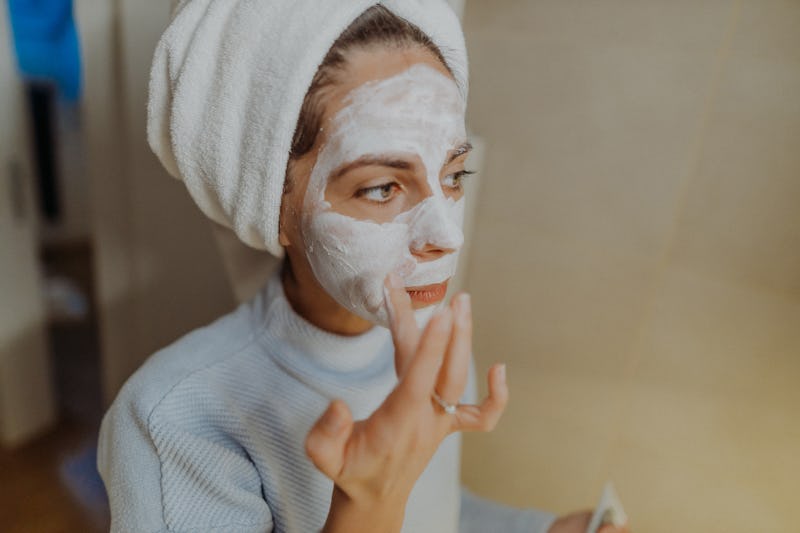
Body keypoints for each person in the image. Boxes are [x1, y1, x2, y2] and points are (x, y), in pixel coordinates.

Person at [97, 2, 631, 532]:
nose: (448, 235)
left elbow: (438, 512)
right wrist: (368, 504)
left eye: (454, 175)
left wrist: (550, 529)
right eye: (382, 188)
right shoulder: (173, 420)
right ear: (273, 205)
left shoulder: (428, 342)